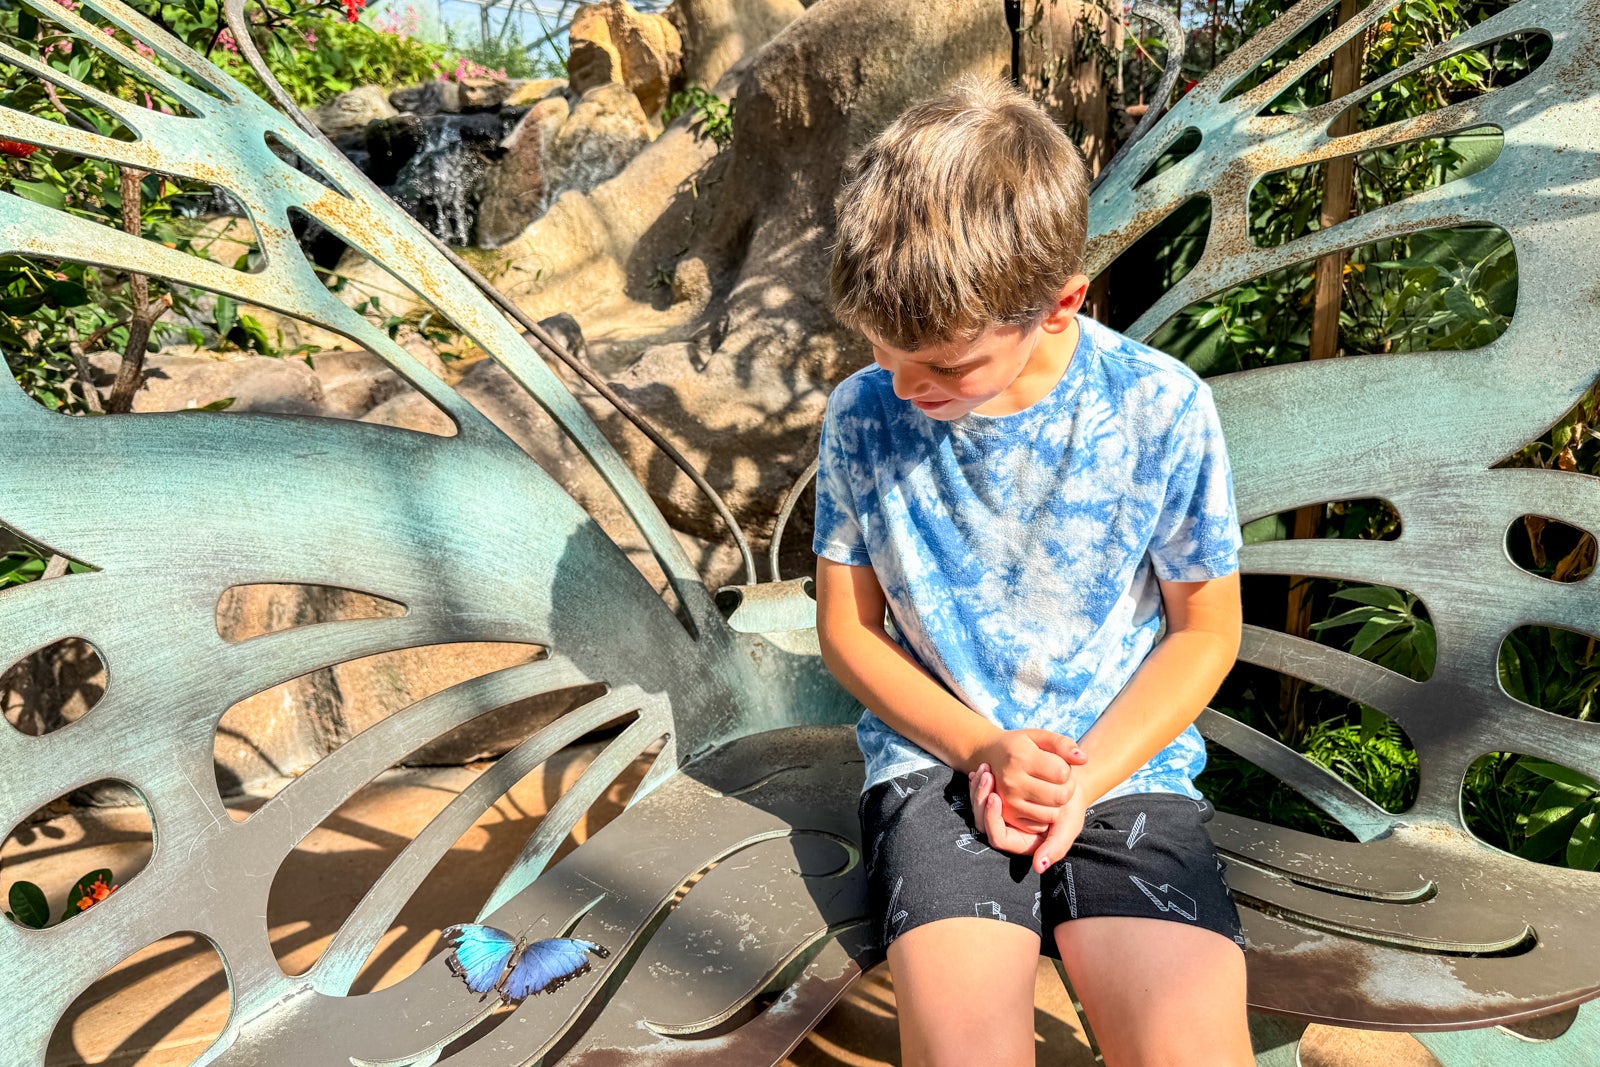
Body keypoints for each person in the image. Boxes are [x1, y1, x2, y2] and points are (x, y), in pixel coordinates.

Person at [812, 76, 1254, 1067]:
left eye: (947, 366)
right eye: (883, 352)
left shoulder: (1159, 409)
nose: (905, 384)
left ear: (1060, 305)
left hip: (1125, 762)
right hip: (936, 759)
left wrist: (1078, 775)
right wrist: (981, 748)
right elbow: (847, 628)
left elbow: (1205, 629)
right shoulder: (864, 412)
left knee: (1190, 1044)